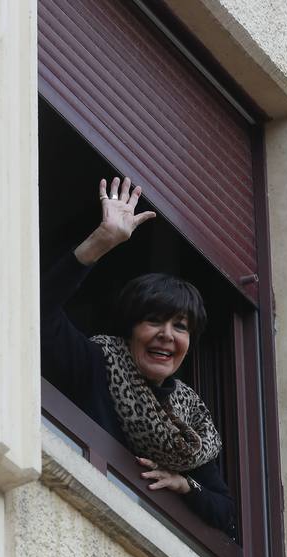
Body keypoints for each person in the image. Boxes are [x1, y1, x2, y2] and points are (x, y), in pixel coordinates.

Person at [41, 175, 236, 537]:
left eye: (180, 326)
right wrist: (101, 243)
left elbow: (226, 513)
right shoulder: (96, 364)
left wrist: (184, 486)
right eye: (154, 321)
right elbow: (38, 315)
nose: (167, 335)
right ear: (131, 329)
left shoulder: (190, 417)